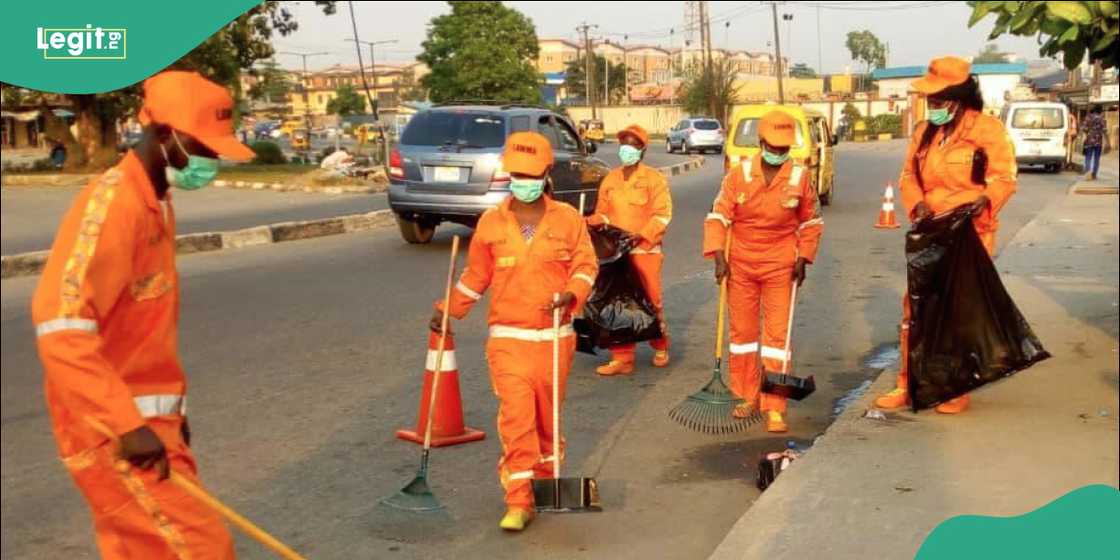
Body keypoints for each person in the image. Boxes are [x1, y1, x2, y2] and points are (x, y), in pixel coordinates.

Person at [31, 70, 254, 558]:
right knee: (200, 548)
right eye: (204, 145)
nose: (212, 157)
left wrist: (174, 415)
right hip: (113, 433)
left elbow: (142, 336)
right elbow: (60, 326)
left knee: (142, 550)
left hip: (150, 427)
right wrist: (127, 426)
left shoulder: (157, 201)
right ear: (162, 133)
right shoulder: (112, 205)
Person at [429, 131, 597, 532]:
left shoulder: (568, 219)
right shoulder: (491, 223)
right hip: (508, 338)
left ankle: (544, 486)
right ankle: (518, 499)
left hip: (556, 339)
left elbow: (586, 266)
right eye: (515, 174)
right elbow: (476, 277)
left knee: (546, 421)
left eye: (529, 174)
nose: (522, 181)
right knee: (517, 416)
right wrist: (449, 310)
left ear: (545, 174)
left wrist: (572, 294)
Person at [873, 56, 1018, 415]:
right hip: (930, 229)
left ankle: (954, 387)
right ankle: (909, 383)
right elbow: (908, 175)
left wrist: (984, 200)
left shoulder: (986, 130)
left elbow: (1004, 177)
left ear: (956, 98)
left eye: (937, 101)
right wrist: (917, 204)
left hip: (970, 233)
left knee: (956, 312)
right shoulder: (924, 132)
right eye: (929, 101)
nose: (932, 107)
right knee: (917, 308)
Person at [702, 110, 824, 434]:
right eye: (774, 146)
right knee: (742, 337)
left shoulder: (799, 178)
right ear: (761, 142)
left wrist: (804, 258)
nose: (779, 153)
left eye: (785, 148)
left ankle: (775, 406)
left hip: (780, 263)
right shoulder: (738, 175)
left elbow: (811, 222)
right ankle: (745, 395)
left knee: (776, 339)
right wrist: (718, 256)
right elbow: (718, 216)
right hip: (740, 262)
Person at [587, 124, 673, 376]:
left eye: (633, 146)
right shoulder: (610, 179)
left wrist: (642, 236)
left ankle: (660, 344)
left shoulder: (654, 179)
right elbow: (602, 212)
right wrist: (592, 222)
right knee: (617, 302)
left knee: (650, 300)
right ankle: (622, 357)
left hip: (645, 251)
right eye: (624, 145)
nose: (627, 150)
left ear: (642, 150)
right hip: (616, 253)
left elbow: (663, 215)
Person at [1082, 104, 1109, 181]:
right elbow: (1105, 131)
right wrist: (1108, 142)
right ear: (1100, 111)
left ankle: (1088, 174)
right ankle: (1094, 175)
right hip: (1098, 142)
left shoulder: (1088, 118)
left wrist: (1089, 132)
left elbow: (1084, 129)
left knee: (1088, 158)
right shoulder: (1102, 119)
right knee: (1097, 159)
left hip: (1089, 141)